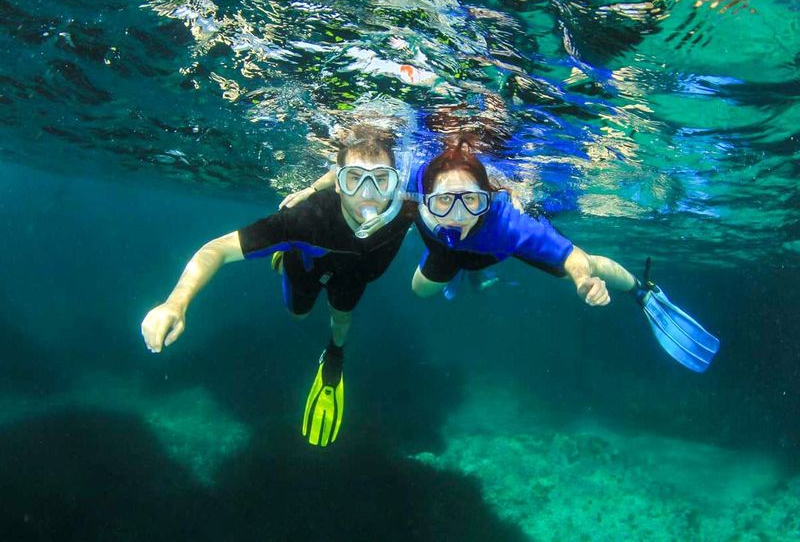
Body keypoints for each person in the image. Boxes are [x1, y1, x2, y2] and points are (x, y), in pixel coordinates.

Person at [287, 140, 720, 372]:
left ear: (487, 197)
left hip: (495, 250)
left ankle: (643, 292)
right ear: (424, 194)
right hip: (450, 256)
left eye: (470, 202)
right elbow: (344, 173)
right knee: (420, 291)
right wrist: (309, 191)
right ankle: (468, 276)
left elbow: (571, 256)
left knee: (586, 260)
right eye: (443, 205)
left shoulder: (509, 226)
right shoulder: (405, 179)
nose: (457, 216)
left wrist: (584, 279)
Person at [141, 130, 414, 446]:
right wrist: (176, 302)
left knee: (343, 317)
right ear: (339, 184)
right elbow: (216, 249)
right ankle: (283, 258)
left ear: (396, 182)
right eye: (355, 179)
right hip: (306, 269)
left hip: (355, 276)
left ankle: (335, 355)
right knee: (299, 314)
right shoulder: (305, 220)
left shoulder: (406, 211)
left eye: (382, 179)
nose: (369, 193)